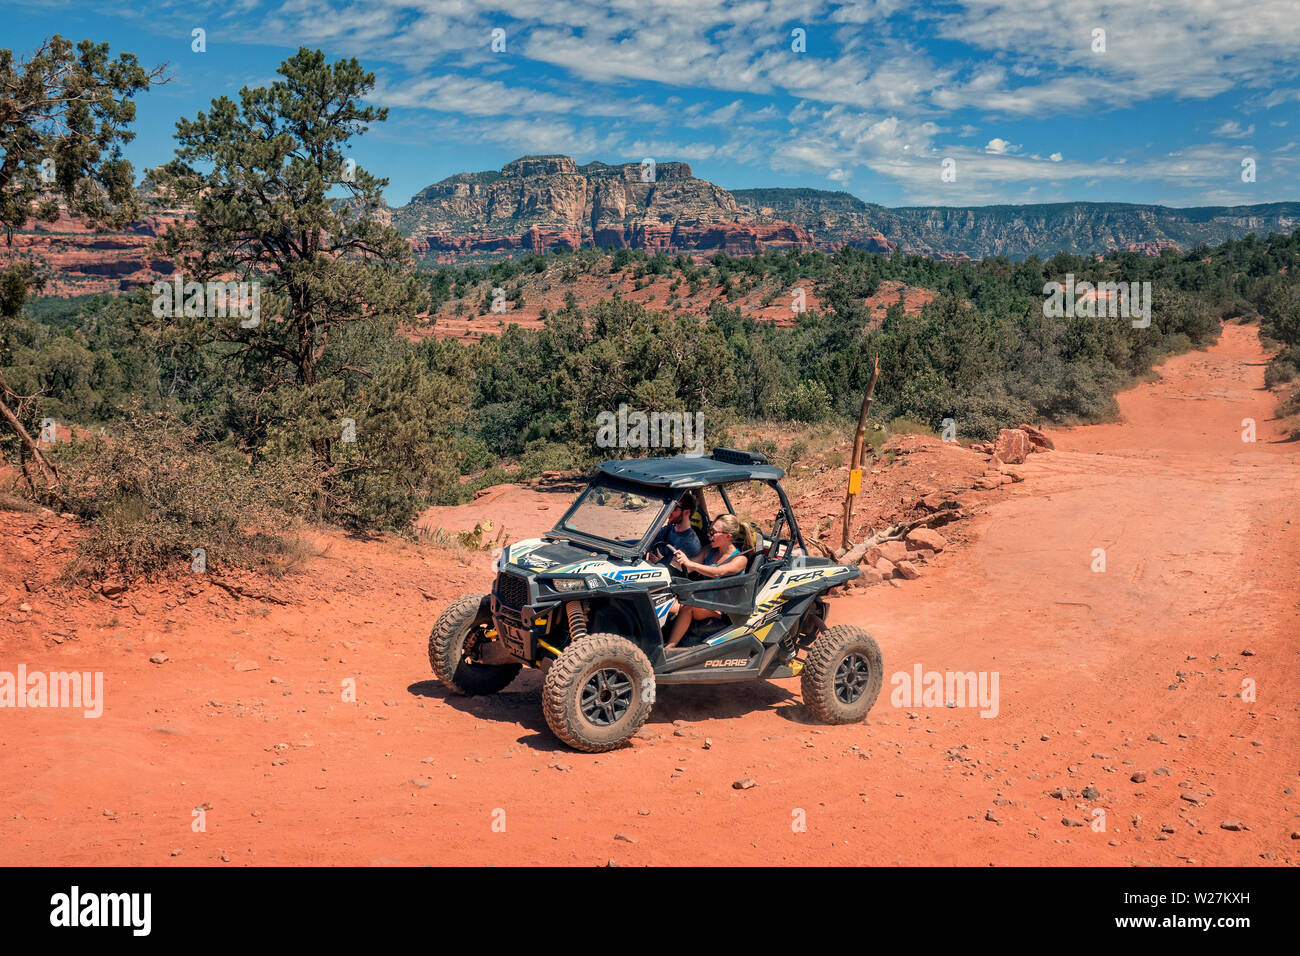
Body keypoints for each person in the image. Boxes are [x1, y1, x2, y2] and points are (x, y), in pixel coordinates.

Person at [663, 513, 755, 651]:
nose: (709, 535)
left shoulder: (740, 560)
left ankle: (669, 649)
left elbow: (718, 572)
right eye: (709, 531)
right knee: (665, 603)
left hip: (724, 610)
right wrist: (665, 561)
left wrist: (690, 564)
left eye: (713, 532)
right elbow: (688, 567)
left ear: (728, 536)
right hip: (705, 602)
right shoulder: (709, 550)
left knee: (687, 606)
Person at [647, 496, 700, 566]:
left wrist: (661, 562)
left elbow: (680, 571)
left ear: (686, 512)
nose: (669, 511)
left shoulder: (691, 544)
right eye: (669, 507)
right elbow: (649, 543)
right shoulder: (668, 529)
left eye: (674, 508)